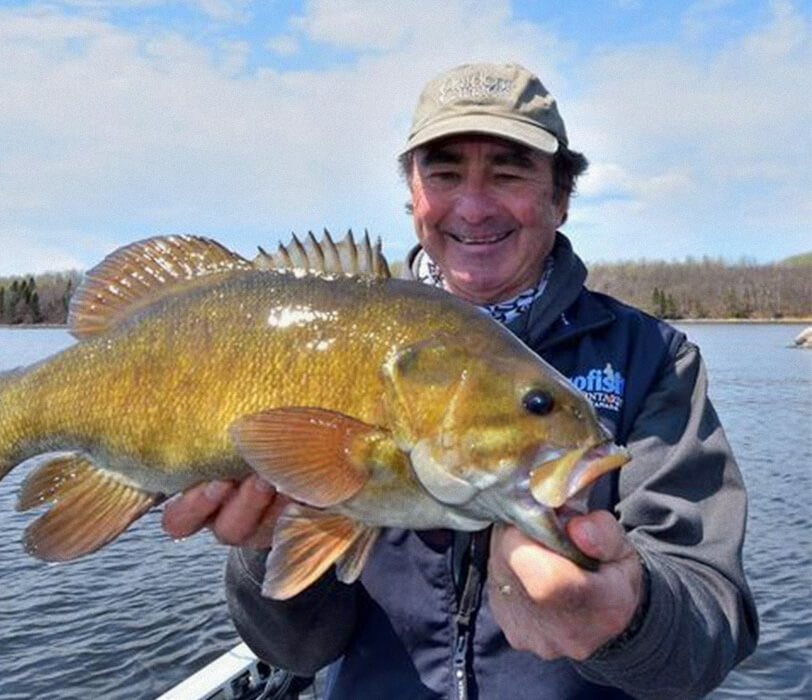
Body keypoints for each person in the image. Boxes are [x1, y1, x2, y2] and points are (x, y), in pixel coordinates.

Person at [162, 62, 758, 699]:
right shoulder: (330, 336)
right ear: (413, 196)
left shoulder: (653, 358)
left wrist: (626, 618)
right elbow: (296, 650)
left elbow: (707, 631)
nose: (473, 207)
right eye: (444, 173)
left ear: (560, 198)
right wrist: (266, 545)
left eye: (509, 172)